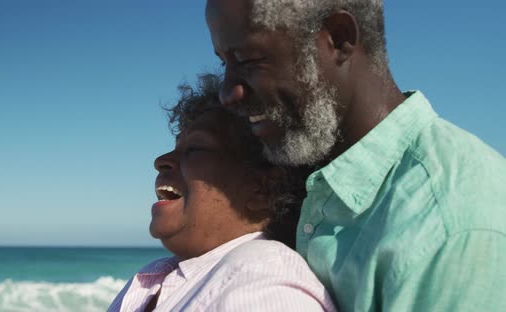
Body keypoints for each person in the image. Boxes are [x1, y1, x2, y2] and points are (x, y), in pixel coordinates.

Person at [205, 0, 506, 311]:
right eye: (223, 62)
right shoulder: (299, 174)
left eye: (249, 60)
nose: (228, 94)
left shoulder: (448, 227)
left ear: (338, 38)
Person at [107, 74, 336, 312]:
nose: (161, 161)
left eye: (195, 149)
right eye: (176, 148)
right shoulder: (158, 276)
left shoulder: (262, 285)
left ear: (262, 189)